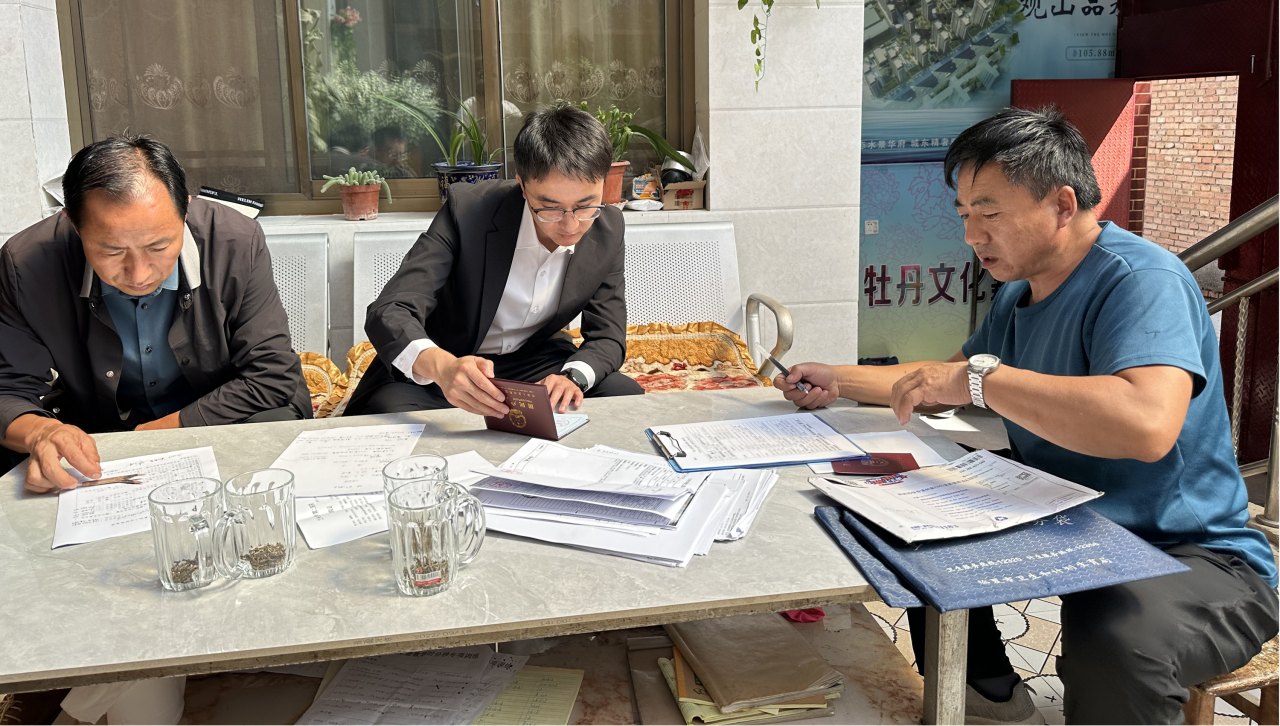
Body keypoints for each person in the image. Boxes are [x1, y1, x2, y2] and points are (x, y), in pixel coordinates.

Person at [777, 108, 1280, 725]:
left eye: (989, 214)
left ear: (1062, 204)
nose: (972, 235)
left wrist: (982, 380)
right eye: (964, 215)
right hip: (1070, 522)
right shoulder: (1020, 293)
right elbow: (939, 380)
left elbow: (1147, 425)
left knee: (1122, 645)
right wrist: (836, 379)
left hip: (1188, 553)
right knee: (907, 524)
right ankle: (989, 697)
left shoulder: (1141, 280)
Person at [0, 135, 311, 492]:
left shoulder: (235, 241)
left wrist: (150, 436)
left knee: (276, 428)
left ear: (185, 209)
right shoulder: (25, 264)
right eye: (112, 251)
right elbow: (7, 388)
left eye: (159, 246)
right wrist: (42, 432)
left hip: (223, 413)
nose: (139, 275)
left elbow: (271, 375)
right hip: (99, 424)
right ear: (72, 222)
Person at [345, 104, 644, 417]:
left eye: (586, 205)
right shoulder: (469, 211)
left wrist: (572, 378)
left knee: (622, 397)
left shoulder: (608, 228)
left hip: (536, 362)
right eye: (550, 208)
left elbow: (608, 334)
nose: (570, 225)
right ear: (523, 186)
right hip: (449, 362)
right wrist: (444, 368)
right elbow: (390, 310)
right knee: (390, 414)